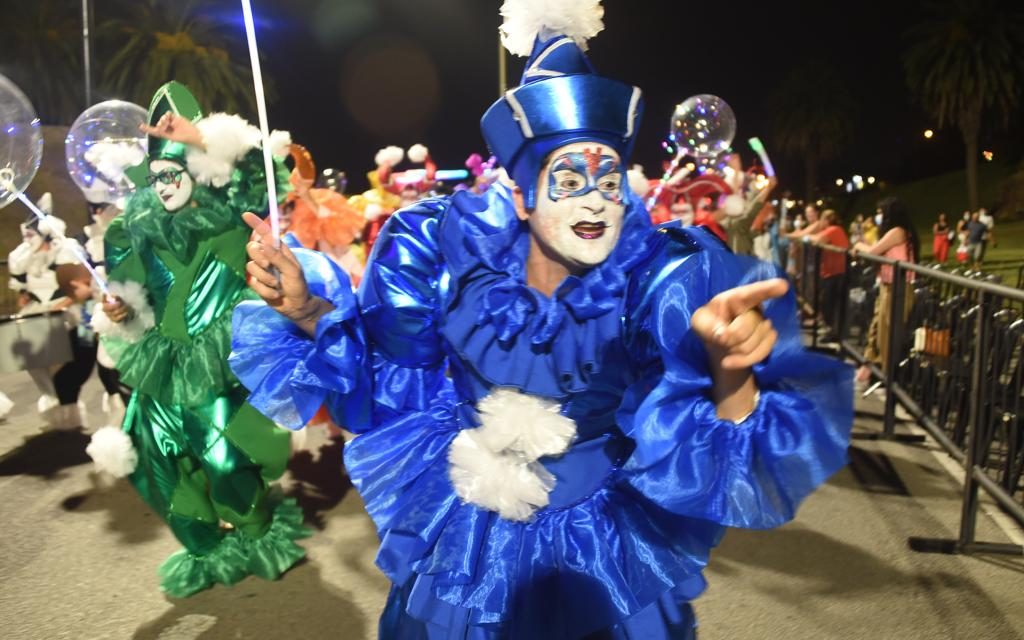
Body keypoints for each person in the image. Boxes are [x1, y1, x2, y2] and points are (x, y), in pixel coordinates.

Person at [230, 4, 852, 638]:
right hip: (469, 530)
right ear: (523, 197)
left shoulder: (654, 279)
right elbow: (383, 375)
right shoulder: (444, 261)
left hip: (601, 542)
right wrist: (306, 309)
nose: (594, 199)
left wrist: (729, 369)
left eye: (609, 180)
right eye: (571, 178)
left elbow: (717, 455)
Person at [88, 82, 307, 597]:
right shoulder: (138, 226)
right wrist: (121, 308)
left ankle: (253, 531)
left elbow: (265, 176)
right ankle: (205, 544)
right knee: (151, 457)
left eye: (174, 172)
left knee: (222, 455)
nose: (165, 185)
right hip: (160, 362)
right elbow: (131, 289)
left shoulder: (229, 211)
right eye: (157, 176)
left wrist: (203, 142)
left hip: (215, 361)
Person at [7, 194, 93, 428]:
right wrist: (24, 301)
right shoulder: (22, 258)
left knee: (59, 364)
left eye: (32, 234)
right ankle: (54, 400)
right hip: (36, 314)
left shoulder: (65, 251)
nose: (28, 239)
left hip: (66, 314)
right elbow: (22, 290)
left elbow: (80, 287)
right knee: (31, 360)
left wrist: (63, 304)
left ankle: (65, 408)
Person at [851, 197, 919, 384]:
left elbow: (873, 251)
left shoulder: (898, 232)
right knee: (877, 329)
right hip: (887, 286)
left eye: (881, 212)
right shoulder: (894, 232)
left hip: (898, 289)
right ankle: (872, 368)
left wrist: (857, 245)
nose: (878, 216)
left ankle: (889, 379)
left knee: (887, 334)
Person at [809, 210, 851, 338]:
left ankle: (834, 332)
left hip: (835, 273)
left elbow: (818, 239)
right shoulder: (834, 230)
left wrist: (812, 232)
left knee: (830, 304)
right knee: (828, 303)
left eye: (822, 219)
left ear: (827, 220)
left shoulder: (834, 230)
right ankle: (831, 330)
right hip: (831, 272)